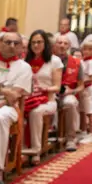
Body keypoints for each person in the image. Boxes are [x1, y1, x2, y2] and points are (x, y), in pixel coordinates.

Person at [0, 31, 32, 184]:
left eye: (16, 43)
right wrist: (5, 90)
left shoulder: (24, 67)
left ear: (20, 47)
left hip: (9, 108)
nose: (12, 46)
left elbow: (15, 96)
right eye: (8, 42)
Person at [24, 30, 62, 164]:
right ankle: (20, 149)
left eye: (39, 42)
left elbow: (57, 87)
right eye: (33, 42)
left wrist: (44, 89)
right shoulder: (26, 60)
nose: (36, 45)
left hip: (48, 100)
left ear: (45, 43)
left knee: (36, 112)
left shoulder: (54, 61)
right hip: (28, 98)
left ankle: (35, 150)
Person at [53, 33, 84, 151]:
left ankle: (70, 139)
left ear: (69, 46)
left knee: (70, 103)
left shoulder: (76, 62)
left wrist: (72, 90)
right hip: (50, 94)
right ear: (55, 45)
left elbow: (81, 86)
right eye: (59, 43)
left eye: (65, 43)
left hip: (68, 94)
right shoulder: (49, 60)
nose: (62, 45)